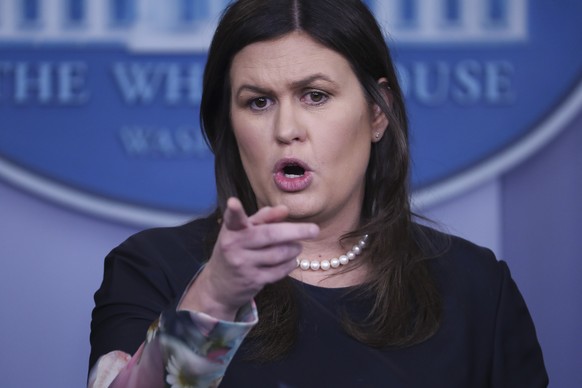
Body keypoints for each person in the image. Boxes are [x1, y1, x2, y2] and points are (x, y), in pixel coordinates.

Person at [88, 0, 548, 386]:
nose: (287, 129)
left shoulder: (477, 287)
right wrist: (214, 298)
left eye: (315, 95)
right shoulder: (153, 268)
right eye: (258, 102)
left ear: (376, 113)